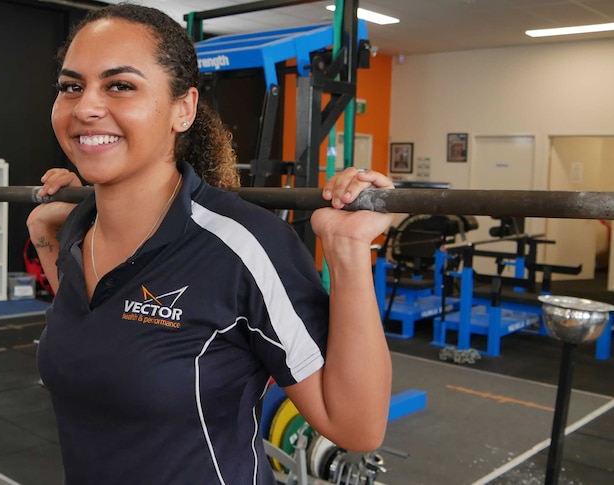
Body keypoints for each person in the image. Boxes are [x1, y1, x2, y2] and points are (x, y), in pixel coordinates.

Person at [26, 4, 393, 483]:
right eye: (72, 86)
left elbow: (357, 427)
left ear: (184, 109)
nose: (85, 107)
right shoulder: (77, 230)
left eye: (120, 85)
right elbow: (99, 329)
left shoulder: (245, 246)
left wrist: (347, 253)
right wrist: (43, 227)